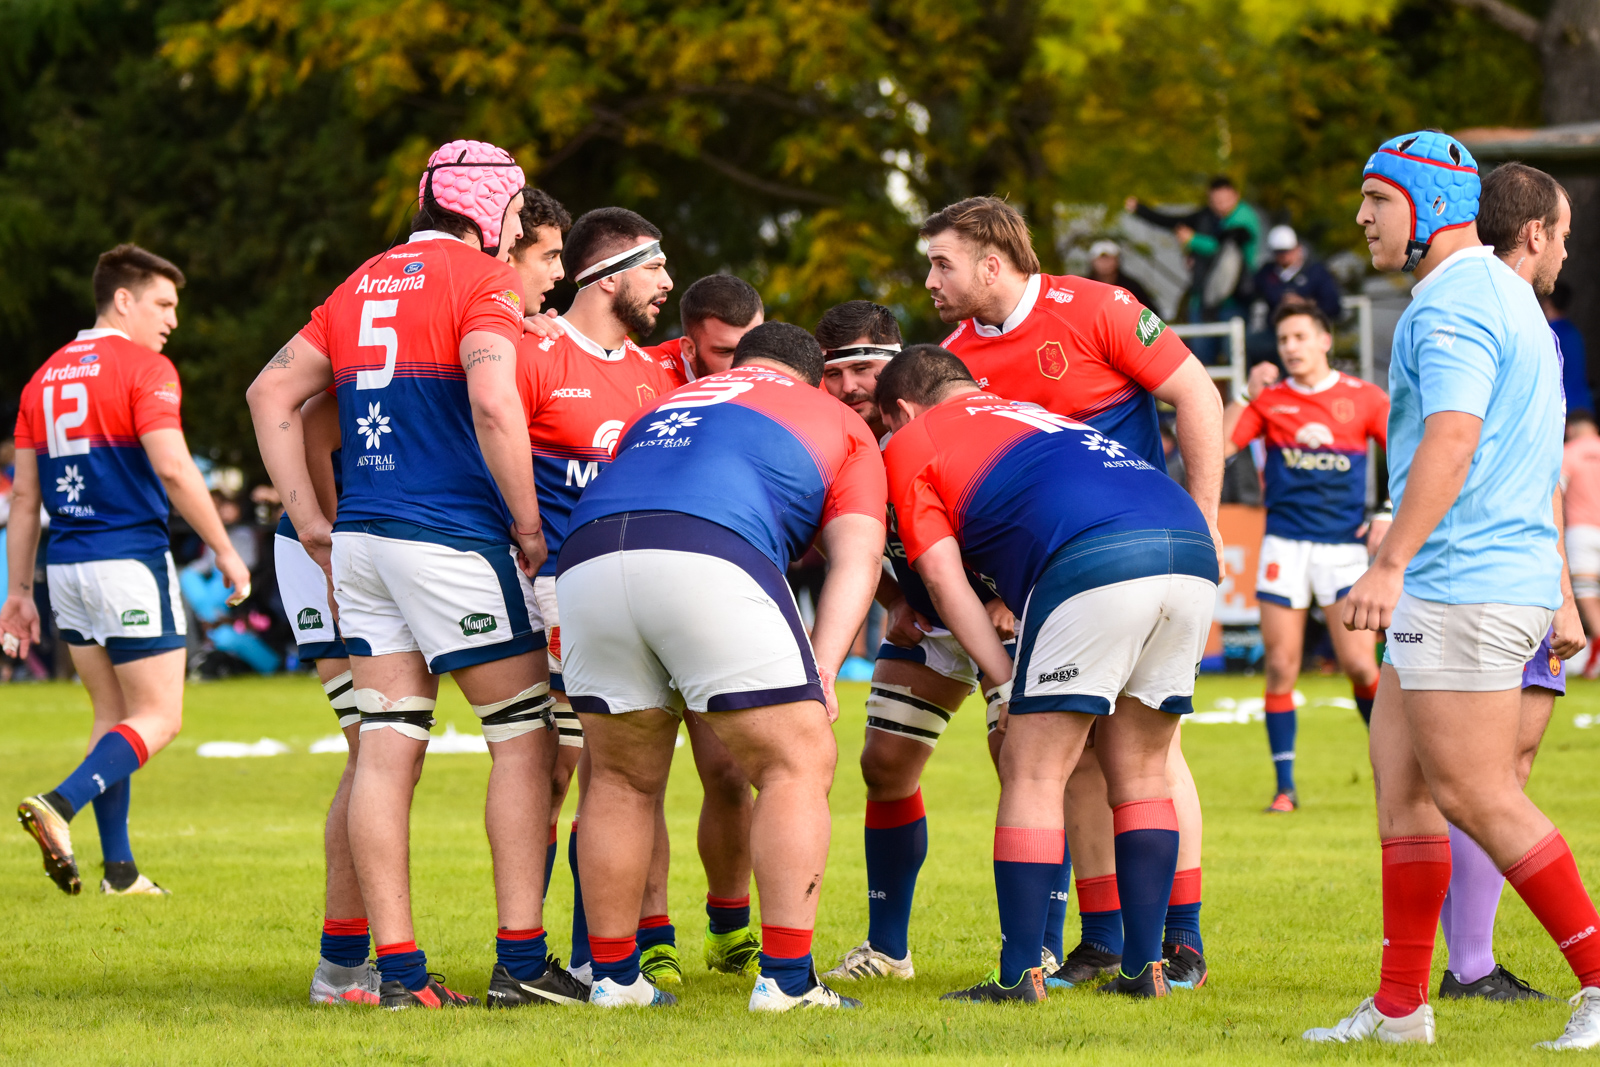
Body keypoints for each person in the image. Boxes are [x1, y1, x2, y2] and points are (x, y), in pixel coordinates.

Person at [247, 139, 565, 1011]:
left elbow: (267, 394)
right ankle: (523, 961)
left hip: (360, 541)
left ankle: (398, 974)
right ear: (493, 209)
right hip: (452, 537)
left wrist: (310, 518)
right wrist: (529, 524)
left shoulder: (361, 281)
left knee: (386, 751)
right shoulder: (482, 280)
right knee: (524, 735)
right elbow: (496, 402)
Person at [1304, 131, 1600, 1049]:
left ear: (1432, 205)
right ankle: (1401, 1007)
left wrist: (1389, 563)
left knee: (1477, 792)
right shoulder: (1508, 297)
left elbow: (1454, 437)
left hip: (1462, 581)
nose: (1361, 217)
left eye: (1378, 198)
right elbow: (1529, 458)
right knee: (1405, 792)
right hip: (1475, 577)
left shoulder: (1454, 305)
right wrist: (1551, 590)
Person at [927, 195, 1222, 990]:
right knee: (1088, 760)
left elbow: (1197, 395)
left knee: (1150, 755)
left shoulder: (1099, 308)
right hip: (1053, 577)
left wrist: (1207, 516)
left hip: (1125, 555)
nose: (929, 280)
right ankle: (1108, 940)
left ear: (993, 263)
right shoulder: (953, 360)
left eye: (942, 262)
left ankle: (1179, 937)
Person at [556, 322, 886, 1011]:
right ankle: (788, 980)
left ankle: (615, 979)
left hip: (586, 556)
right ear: (816, 375)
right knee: (796, 761)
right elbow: (856, 557)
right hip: (707, 548)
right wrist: (823, 667)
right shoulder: (837, 418)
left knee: (617, 775)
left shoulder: (669, 402)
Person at [875, 345, 1217, 1002]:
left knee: (1033, 767)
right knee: (1143, 771)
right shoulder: (1029, 412)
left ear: (903, 409)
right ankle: (1145, 969)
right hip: (1189, 546)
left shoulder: (912, 438)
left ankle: (1016, 975)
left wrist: (1003, 675)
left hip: (1096, 557)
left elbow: (945, 582)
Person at [516, 205, 762, 990]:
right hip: (552, 591)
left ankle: (601, 954)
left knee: (615, 772)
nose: (666, 283)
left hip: (632, 591)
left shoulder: (660, 374)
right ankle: (525, 953)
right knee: (560, 770)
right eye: (656, 268)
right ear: (609, 273)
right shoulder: (535, 351)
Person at [4, 244, 251, 898]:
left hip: (68, 568)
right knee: (160, 717)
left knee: (113, 712)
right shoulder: (146, 367)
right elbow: (173, 467)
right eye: (163, 304)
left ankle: (120, 871)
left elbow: (25, 499)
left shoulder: (44, 376)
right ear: (123, 299)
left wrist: (18, 590)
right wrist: (226, 548)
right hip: (128, 563)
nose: (172, 319)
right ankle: (59, 802)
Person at [811, 300, 1017, 983]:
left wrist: (1005, 596)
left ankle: (1042, 947)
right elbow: (845, 545)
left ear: (898, 365)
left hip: (1003, 613)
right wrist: (896, 601)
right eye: (834, 374)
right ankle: (888, 949)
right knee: (884, 764)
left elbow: (1021, 505)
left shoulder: (953, 417)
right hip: (930, 619)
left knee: (1024, 766)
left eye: (864, 367)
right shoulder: (832, 435)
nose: (849, 388)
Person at [1430, 159, 1585, 1004]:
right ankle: (1467, 967)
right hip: (1488, 574)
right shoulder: (1490, 314)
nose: (1569, 249)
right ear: (1535, 233)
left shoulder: (1513, 317)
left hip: (1505, 571)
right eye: (1565, 232)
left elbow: (1537, 467)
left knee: (1500, 771)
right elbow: (1479, 455)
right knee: (1478, 781)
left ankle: (1460, 970)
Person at [1222, 303, 1389, 811]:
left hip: (1343, 549)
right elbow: (1219, 445)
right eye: (1283, 338)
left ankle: (1393, 767)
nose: (1290, 347)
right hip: (1284, 547)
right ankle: (1284, 787)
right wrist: (1246, 392)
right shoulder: (1269, 400)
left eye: (1299, 336)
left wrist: (1385, 510)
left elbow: (1406, 453)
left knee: (1361, 666)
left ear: (1324, 340)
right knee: (1280, 666)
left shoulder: (1363, 398)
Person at [266, 389, 377, 1004]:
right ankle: (340, 967)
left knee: (378, 753)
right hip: (331, 548)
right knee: (376, 752)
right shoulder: (386, 313)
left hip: (362, 544)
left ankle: (343, 966)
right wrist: (331, 544)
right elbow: (307, 424)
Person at [1127, 177, 1262, 360]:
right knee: (1201, 359)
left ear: (1235, 196)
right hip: (1202, 300)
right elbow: (1173, 222)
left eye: (1224, 200)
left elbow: (1226, 248)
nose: (1220, 205)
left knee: (1235, 358)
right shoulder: (1207, 217)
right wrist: (1140, 210)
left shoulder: (1244, 217)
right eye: (1215, 201)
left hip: (1234, 301)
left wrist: (1193, 241)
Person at [646, 274, 764, 385]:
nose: (744, 364)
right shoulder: (645, 375)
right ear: (689, 349)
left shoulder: (778, 367)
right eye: (726, 352)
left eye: (753, 347)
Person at [1564, 410, 1600, 676]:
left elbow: (1556, 489)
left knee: (1587, 599)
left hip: (1581, 532)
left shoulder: (1569, 452)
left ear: (1571, 429)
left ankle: (1594, 654)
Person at [1253, 225, 1343, 322]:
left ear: (1298, 248)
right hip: (1276, 331)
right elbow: (1252, 296)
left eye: (1287, 250)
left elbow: (1333, 307)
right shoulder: (1266, 274)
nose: (1284, 255)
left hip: (1311, 330)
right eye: (1278, 252)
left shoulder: (1316, 272)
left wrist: (1304, 305)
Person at [1544, 281, 1593, 416]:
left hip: (1562, 408)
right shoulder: (1574, 332)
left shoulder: (1550, 334)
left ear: (1547, 303)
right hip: (1583, 403)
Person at [1085, 240, 1153, 309]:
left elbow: (1148, 311)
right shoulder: (1085, 286)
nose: (1105, 263)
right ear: (1092, 261)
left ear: (1117, 261)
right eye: (1101, 259)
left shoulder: (1132, 287)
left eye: (1109, 258)